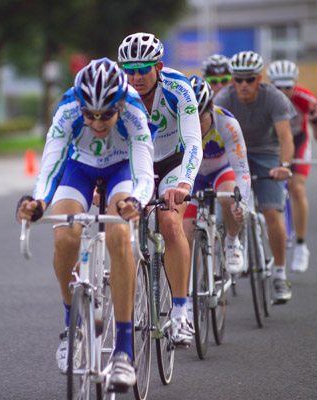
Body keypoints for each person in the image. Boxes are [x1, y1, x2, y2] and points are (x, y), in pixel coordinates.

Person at [16, 58, 155, 391]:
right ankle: (72, 326)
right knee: (65, 236)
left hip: (121, 168)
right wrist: (38, 202)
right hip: (78, 167)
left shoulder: (135, 111)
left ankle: (123, 352)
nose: (96, 122)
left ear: (120, 105)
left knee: (118, 235)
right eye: (89, 114)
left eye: (106, 115)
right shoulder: (67, 108)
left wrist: (136, 201)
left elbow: (143, 170)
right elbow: (51, 164)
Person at [118, 32, 203, 346]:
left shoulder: (178, 87)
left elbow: (193, 141)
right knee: (120, 226)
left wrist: (184, 183)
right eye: (130, 70)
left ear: (159, 66)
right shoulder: (118, 92)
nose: (136, 77)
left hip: (172, 163)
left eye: (143, 69)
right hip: (135, 163)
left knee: (169, 222)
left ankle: (181, 314)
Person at [214, 51, 296, 304]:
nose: (243, 85)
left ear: (259, 80)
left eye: (249, 79)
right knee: (225, 206)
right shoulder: (223, 98)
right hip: (234, 153)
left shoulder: (274, 98)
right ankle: (225, 256)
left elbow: (286, 137)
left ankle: (280, 275)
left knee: (272, 212)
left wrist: (284, 166)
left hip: (266, 154)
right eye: (238, 79)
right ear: (232, 80)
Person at [183, 76, 251, 274]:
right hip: (193, 176)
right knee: (186, 232)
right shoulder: (176, 123)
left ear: (211, 109)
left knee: (229, 199)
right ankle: (190, 288)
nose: (196, 127)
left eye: (200, 119)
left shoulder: (227, 122)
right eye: (190, 120)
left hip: (221, 171)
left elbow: (242, 170)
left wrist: (241, 202)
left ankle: (232, 242)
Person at [266, 60, 317, 273]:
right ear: (270, 85)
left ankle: (301, 245)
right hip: (274, 143)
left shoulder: (307, 100)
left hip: (298, 141)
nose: (283, 92)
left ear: (295, 84)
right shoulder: (264, 98)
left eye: (288, 87)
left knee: (297, 188)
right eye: (278, 87)